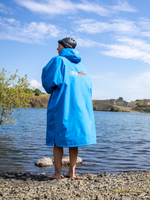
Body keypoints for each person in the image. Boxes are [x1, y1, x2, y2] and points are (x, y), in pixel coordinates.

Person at [41, 37, 97, 179]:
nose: (57, 48)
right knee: (73, 139)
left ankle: (57, 173)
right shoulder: (82, 66)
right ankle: (72, 172)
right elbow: (88, 87)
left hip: (62, 106)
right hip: (79, 109)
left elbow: (48, 83)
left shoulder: (58, 60)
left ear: (64, 46)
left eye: (58, 45)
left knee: (57, 139)